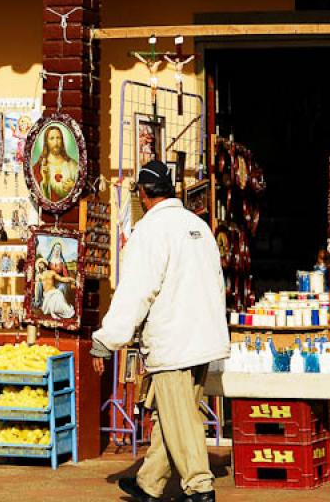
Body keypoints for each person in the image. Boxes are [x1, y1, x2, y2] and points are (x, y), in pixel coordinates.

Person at [90, 160, 228, 502]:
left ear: (143, 193)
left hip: (175, 342)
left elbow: (136, 290)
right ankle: (149, 483)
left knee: (181, 419)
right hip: (203, 338)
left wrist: (107, 339)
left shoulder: (150, 231)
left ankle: (199, 488)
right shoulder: (198, 227)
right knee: (173, 414)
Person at [32, 125, 79, 201]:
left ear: (62, 140)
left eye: (58, 138)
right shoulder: (39, 167)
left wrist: (73, 187)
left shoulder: (72, 164)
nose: (56, 142)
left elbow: (81, 189)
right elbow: (37, 196)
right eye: (52, 138)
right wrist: (45, 182)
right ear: (46, 141)